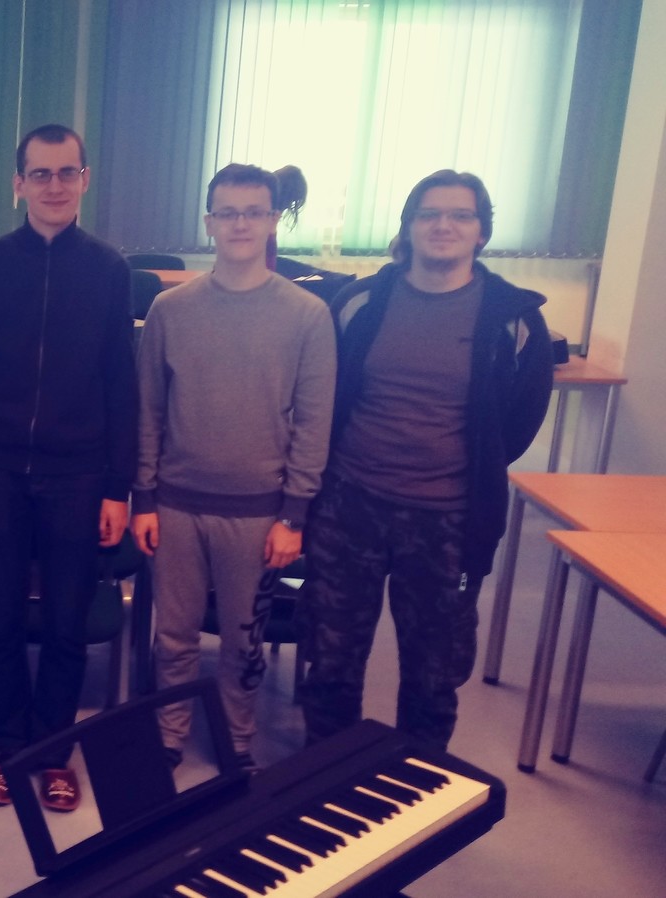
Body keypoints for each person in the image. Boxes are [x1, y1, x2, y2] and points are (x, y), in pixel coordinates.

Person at [298, 170, 554, 751]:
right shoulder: (359, 304)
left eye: (461, 215)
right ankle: (324, 778)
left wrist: (466, 466)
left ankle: (417, 787)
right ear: (409, 226)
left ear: (482, 232)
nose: (444, 225)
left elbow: (519, 421)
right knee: (331, 663)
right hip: (349, 508)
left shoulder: (514, 320)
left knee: (433, 678)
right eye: (429, 213)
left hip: (450, 521)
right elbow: (325, 396)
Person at [0, 124, 135, 811]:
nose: (55, 185)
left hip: (79, 472)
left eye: (67, 172)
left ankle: (52, 753)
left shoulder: (109, 270)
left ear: (85, 179)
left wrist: (118, 488)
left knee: (64, 623)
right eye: (41, 174)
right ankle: (9, 751)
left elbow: (121, 384)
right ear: (18, 183)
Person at [132, 163, 336, 771]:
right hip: (176, 504)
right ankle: (169, 733)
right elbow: (148, 410)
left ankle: (236, 740)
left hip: (260, 513)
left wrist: (294, 515)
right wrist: (144, 497)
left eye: (254, 212)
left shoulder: (306, 315)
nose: (240, 224)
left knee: (243, 641)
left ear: (273, 220)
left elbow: (314, 422)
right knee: (174, 636)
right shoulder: (170, 309)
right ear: (209, 223)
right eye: (228, 213)